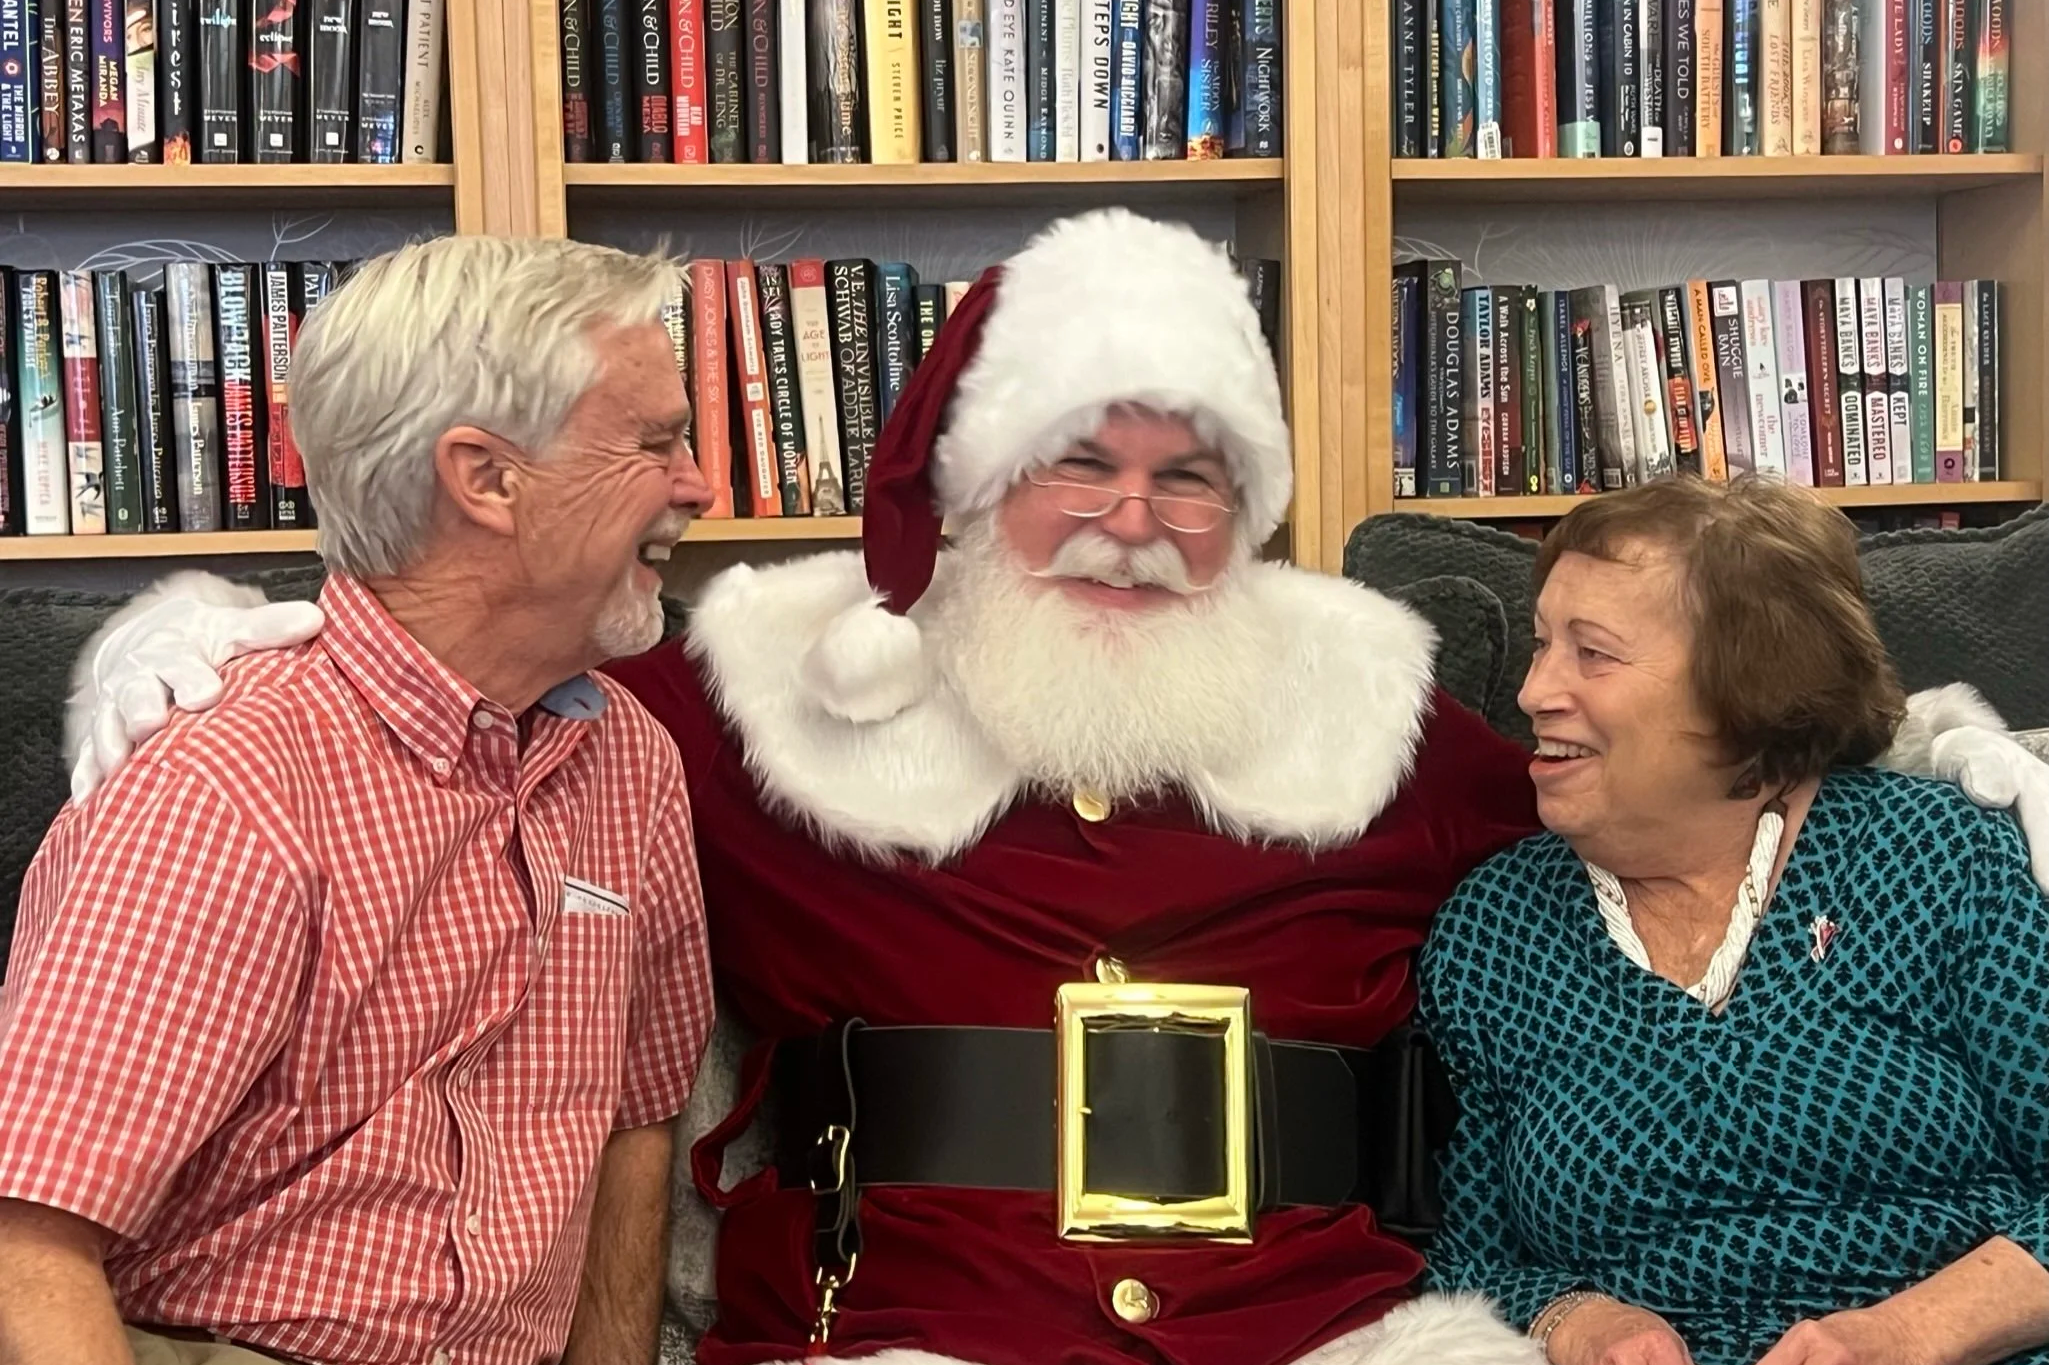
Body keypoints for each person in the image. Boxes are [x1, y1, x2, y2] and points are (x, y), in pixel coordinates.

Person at [62, 210, 2049, 1365]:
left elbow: (1710, 742)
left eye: (1186, 473)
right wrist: (195, 636)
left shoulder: (1399, 732)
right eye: (1070, 467)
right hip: (907, 1322)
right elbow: (464, 643)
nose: (1126, 520)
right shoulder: (740, 708)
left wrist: (1958, 747)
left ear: (1247, 506)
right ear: (967, 489)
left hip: (1311, 1327)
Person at [0, 236, 718, 1365]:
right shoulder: (226, 782)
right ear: (486, 477)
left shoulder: (631, 761)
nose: (700, 485)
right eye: (657, 441)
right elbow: (26, 1239)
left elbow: (636, 1119)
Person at [1417, 476, 2049, 1365]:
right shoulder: (1494, 929)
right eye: (1540, 644)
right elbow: (1472, 1259)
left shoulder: (1933, 856)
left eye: (1591, 653)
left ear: (1744, 687)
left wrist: (1902, 1335)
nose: (1532, 691)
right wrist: (1578, 1317)